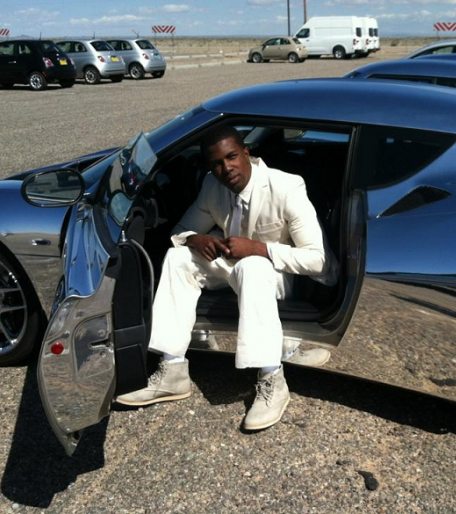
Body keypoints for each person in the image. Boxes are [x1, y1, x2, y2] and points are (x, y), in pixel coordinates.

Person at [116, 124, 337, 430]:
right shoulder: (212, 185)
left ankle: (272, 378)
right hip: (232, 265)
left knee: (253, 266)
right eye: (216, 163)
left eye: (232, 157)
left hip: (276, 274)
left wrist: (258, 248)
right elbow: (179, 232)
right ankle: (172, 368)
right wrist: (196, 239)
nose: (226, 168)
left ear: (247, 153)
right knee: (178, 257)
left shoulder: (286, 187)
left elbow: (318, 259)